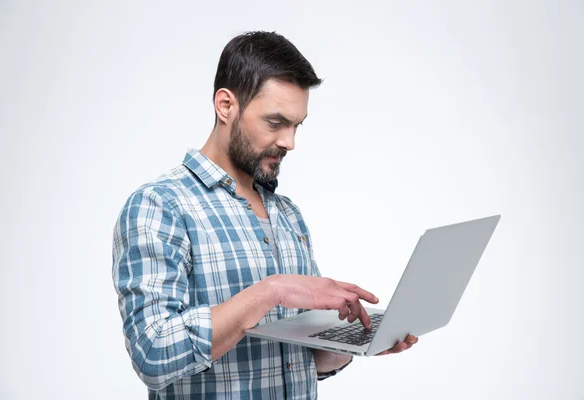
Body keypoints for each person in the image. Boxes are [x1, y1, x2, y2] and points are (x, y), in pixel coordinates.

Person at [112, 30, 418, 399]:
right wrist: (270, 291)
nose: (289, 142)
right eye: (275, 123)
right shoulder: (160, 206)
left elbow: (298, 361)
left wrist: (353, 346)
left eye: (296, 125)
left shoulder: (288, 215)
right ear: (226, 106)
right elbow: (152, 355)